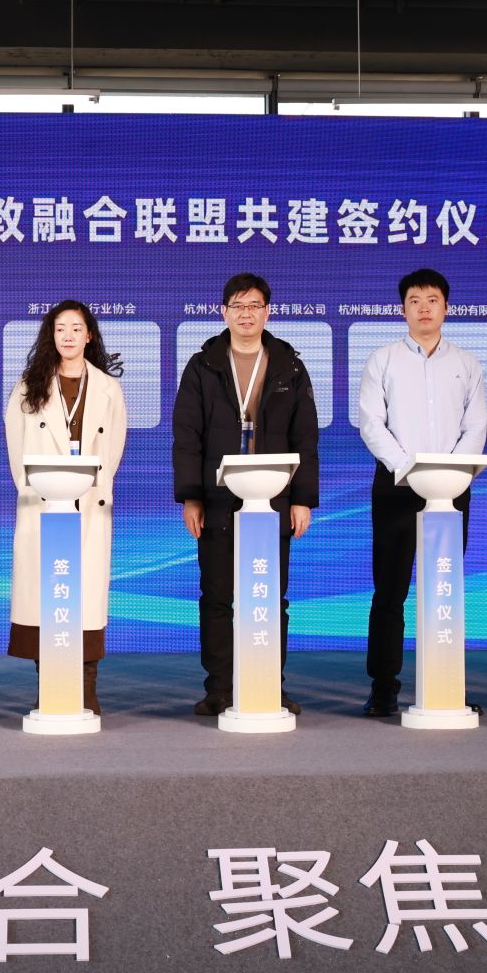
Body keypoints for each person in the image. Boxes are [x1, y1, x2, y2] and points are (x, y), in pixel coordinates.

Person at [172, 272, 320, 717]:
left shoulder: (289, 365)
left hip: (273, 498)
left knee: (271, 597)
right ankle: (219, 688)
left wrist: (302, 498)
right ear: (224, 313)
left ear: (267, 312)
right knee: (217, 597)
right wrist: (191, 497)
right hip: (217, 498)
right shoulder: (203, 365)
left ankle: (269, 685)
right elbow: (187, 436)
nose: (246, 314)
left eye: (254, 306)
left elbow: (306, 437)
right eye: (237, 306)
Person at [356, 268, 487, 717]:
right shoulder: (383, 360)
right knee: (389, 591)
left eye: (432, 300)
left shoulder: (467, 364)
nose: (424, 308)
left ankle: (446, 684)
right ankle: (384, 687)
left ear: (446, 307)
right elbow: (372, 423)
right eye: (415, 301)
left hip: (450, 491)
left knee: (443, 589)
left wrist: (450, 476)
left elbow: (475, 426)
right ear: (403, 310)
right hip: (397, 486)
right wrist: (409, 470)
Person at [4, 302, 129, 714]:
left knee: (86, 598)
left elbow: (112, 449)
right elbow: (17, 448)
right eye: (61, 328)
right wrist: (36, 487)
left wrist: (92, 485)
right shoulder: (29, 386)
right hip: (44, 503)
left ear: (89, 335)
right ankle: (51, 684)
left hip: (89, 504)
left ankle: (86, 685)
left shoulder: (108, 388)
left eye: (77, 328)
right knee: (47, 593)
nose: (69, 335)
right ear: (51, 335)